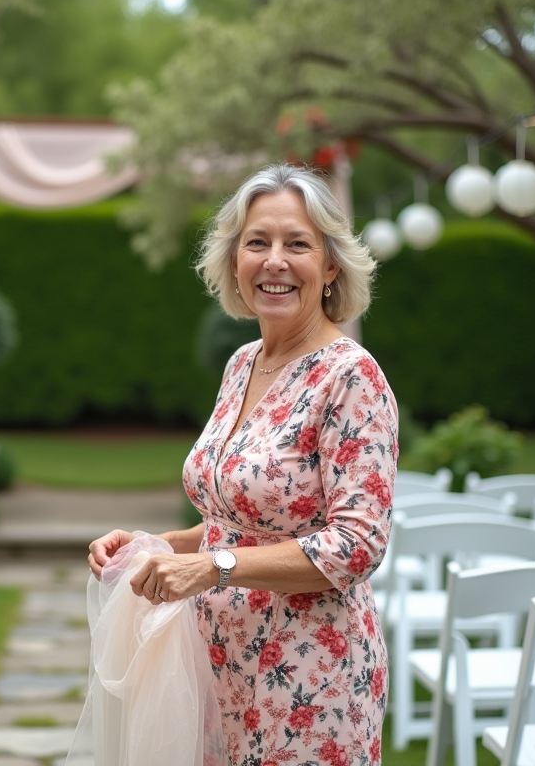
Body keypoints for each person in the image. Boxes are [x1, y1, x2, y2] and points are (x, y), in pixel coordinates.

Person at [89, 163, 396, 766]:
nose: (274, 260)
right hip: (217, 663)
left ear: (331, 264)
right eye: (257, 242)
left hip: (308, 676)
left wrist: (212, 569)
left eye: (297, 243)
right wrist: (160, 548)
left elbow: (357, 545)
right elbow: (245, 519)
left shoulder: (350, 376)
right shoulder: (243, 363)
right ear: (234, 260)